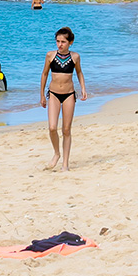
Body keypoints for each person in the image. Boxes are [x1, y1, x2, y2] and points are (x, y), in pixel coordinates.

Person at [39, 27, 89, 172]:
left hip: (69, 95)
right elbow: (44, 74)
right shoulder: (50, 55)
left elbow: (79, 73)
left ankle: (65, 163)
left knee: (66, 129)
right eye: (58, 41)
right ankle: (56, 153)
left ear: (70, 42)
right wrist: (42, 94)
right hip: (53, 94)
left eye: (63, 42)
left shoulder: (75, 57)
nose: (60, 44)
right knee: (52, 127)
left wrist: (83, 89)